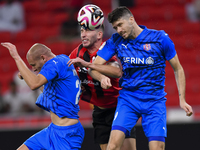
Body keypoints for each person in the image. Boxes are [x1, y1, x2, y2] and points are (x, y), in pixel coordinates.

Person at [68, 6, 193, 150]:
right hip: (128, 99)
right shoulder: (116, 40)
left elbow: (178, 68)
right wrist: (101, 76)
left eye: (120, 25)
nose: (119, 30)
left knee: (157, 147)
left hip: (154, 101)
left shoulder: (160, 39)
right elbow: (95, 66)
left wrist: (182, 100)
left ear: (131, 19)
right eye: (115, 27)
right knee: (113, 146)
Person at [1, 42, 84, 150]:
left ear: (43, 58)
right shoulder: (62, 60)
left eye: (34, 65)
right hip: (52, 131)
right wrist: (27, 77)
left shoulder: (54, 63)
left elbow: (34, 84)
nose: (34, 69)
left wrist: (16, 57)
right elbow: (46, 89)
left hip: (67, 134)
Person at [68, 25, 136, 150]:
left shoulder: (106, 50)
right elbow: (63, 73)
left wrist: (101, 76)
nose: (83, 34)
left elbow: (116, 71)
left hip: (119, 109)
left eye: (87, 31)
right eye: (82, 30)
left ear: (99, 35)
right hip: (99, 112)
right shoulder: (76, 53)